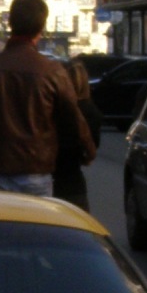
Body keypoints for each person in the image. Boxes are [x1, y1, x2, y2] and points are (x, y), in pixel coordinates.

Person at [0, 0, 96, 196]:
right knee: (37, 217)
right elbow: (72, 117)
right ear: (41, 28)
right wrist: (87, 148)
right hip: (35, 170)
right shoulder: (52, 71)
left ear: (10, 23)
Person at [51, 57, 103, 211]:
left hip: (48, 176)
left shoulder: (53, 107)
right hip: (72, 180)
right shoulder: (91, 111)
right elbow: (90, 151)